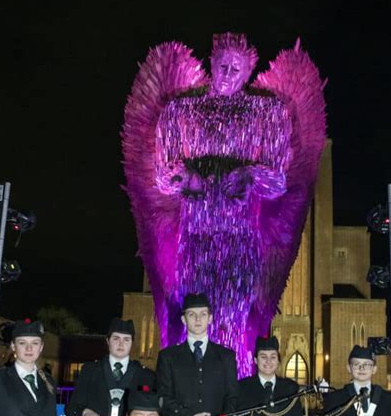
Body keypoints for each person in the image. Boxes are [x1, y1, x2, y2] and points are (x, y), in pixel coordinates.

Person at [124, 32, 326, 377]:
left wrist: (249, 174)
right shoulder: (180, 112)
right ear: (212, 63)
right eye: (223, 66)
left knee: (235, 320)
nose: (229, 74)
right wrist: (187, 177)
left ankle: (235, 394)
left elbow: (278, 181)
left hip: (240, 240)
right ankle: (188, 390)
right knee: (193, 315)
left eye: (237, 68)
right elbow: (162, 176)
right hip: (196, 236)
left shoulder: (267, 113)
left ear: (248, 72)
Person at [156, 293, 238, 416]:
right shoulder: (168, 357)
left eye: (203, 314)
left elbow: (232, 397)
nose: (198, 319)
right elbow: (163, 398)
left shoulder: (226, 357)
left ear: (210, 318)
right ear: (183, 319)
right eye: (192, 314)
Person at [66, 317, 155, 416]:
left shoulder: (145, 376)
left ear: (132, 343)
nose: (121, 344)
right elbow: (72, 408)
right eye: (116, 338)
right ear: (108, 341)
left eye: (126, 339)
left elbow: (153, 412)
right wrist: (85, 412)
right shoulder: (89, 371)